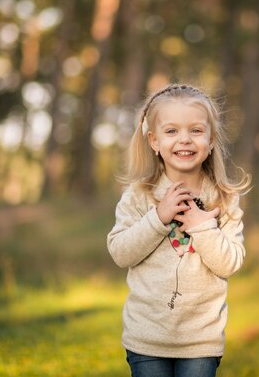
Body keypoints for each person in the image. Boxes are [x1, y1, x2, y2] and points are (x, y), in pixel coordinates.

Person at [107, 83, 251, 377]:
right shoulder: (138, 196)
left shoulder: (223, 199)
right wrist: (157, 218)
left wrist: (203, 226)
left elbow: (230, 262)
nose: (184, 140)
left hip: (201, 342)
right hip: (146, 338)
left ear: (210, 141)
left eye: (196, 131)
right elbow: (121, 253)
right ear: (154, 141)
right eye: (171, 131)